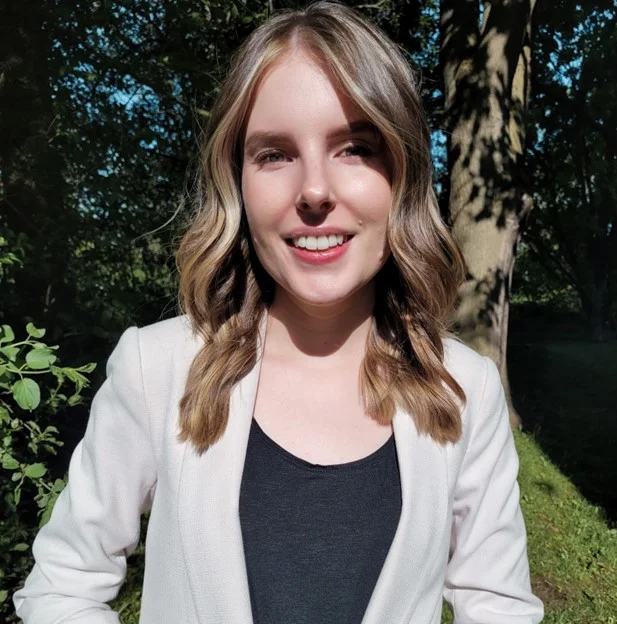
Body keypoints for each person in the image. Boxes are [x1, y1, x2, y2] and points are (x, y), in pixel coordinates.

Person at [13, 2, 544, 623]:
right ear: (237, 181)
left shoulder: (466, 392)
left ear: (402, 175)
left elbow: (499, 607)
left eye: (355, 147)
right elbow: (63, 587)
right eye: (274, 154)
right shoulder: (154, 369)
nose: (315, 190)